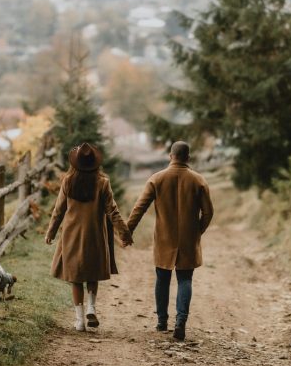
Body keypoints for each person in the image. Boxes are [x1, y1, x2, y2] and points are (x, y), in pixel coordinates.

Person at [127, 141, 213, 341]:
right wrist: (196, 232)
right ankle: (181, 322)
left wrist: (127, 232)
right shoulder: (198, 180)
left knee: (162, 278)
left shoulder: (156, 179)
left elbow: (139, 208)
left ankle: (162, 322)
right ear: (188, 158)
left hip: (164, 238)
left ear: (170, 156)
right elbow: (208, 212)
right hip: (188, 240)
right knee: (185, 279)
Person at [45, 143, 133, 331]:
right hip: (94, 234)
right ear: (95, 163)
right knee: (92, 273)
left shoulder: (67, 181)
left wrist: (50, 232)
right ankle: (91, 307)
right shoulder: (103, 182)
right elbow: (113, 211)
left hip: (71, 235)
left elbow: (58, 210)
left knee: (75, 277)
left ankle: (79, 321)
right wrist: (124, 233)